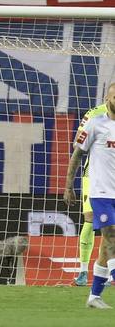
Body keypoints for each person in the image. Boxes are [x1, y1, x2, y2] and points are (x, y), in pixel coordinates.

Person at [64, 83, 115, 309]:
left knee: (105, 247)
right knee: (112, 235)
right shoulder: (96, 123)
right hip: (101, 192)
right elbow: (77, 153)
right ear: (107, 98)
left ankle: (94, 296)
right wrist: (68, 185)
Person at [73, 102, 108, 286]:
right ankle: (83, 271)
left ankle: (107, 271)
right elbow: (78, 142)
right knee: (90, 217)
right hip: (93, 173)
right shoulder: (95, 113)